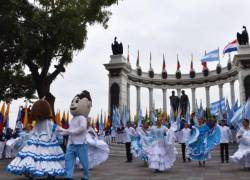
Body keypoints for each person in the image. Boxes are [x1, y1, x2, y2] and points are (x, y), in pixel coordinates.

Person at [7, 99, 65, 178]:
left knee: (34, 156)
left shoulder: (46, 122)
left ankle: (38, 171)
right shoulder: (43, 122)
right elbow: (54, 128)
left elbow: (53, 128)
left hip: (40, 139)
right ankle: (44, 172)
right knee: (46, 157)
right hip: (44, 139)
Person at [58, 90, 92, 180]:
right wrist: (62, 131)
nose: (73, 104)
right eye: (72, 102)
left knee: (84, 162)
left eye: (76, 102)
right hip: (72, 144)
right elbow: (69, 130)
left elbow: (82, 128)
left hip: (81, 144)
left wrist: (69, 132)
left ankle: (86, 175)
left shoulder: (82, 118)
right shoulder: (73, 119)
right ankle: (69, 176)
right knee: (68, 159)